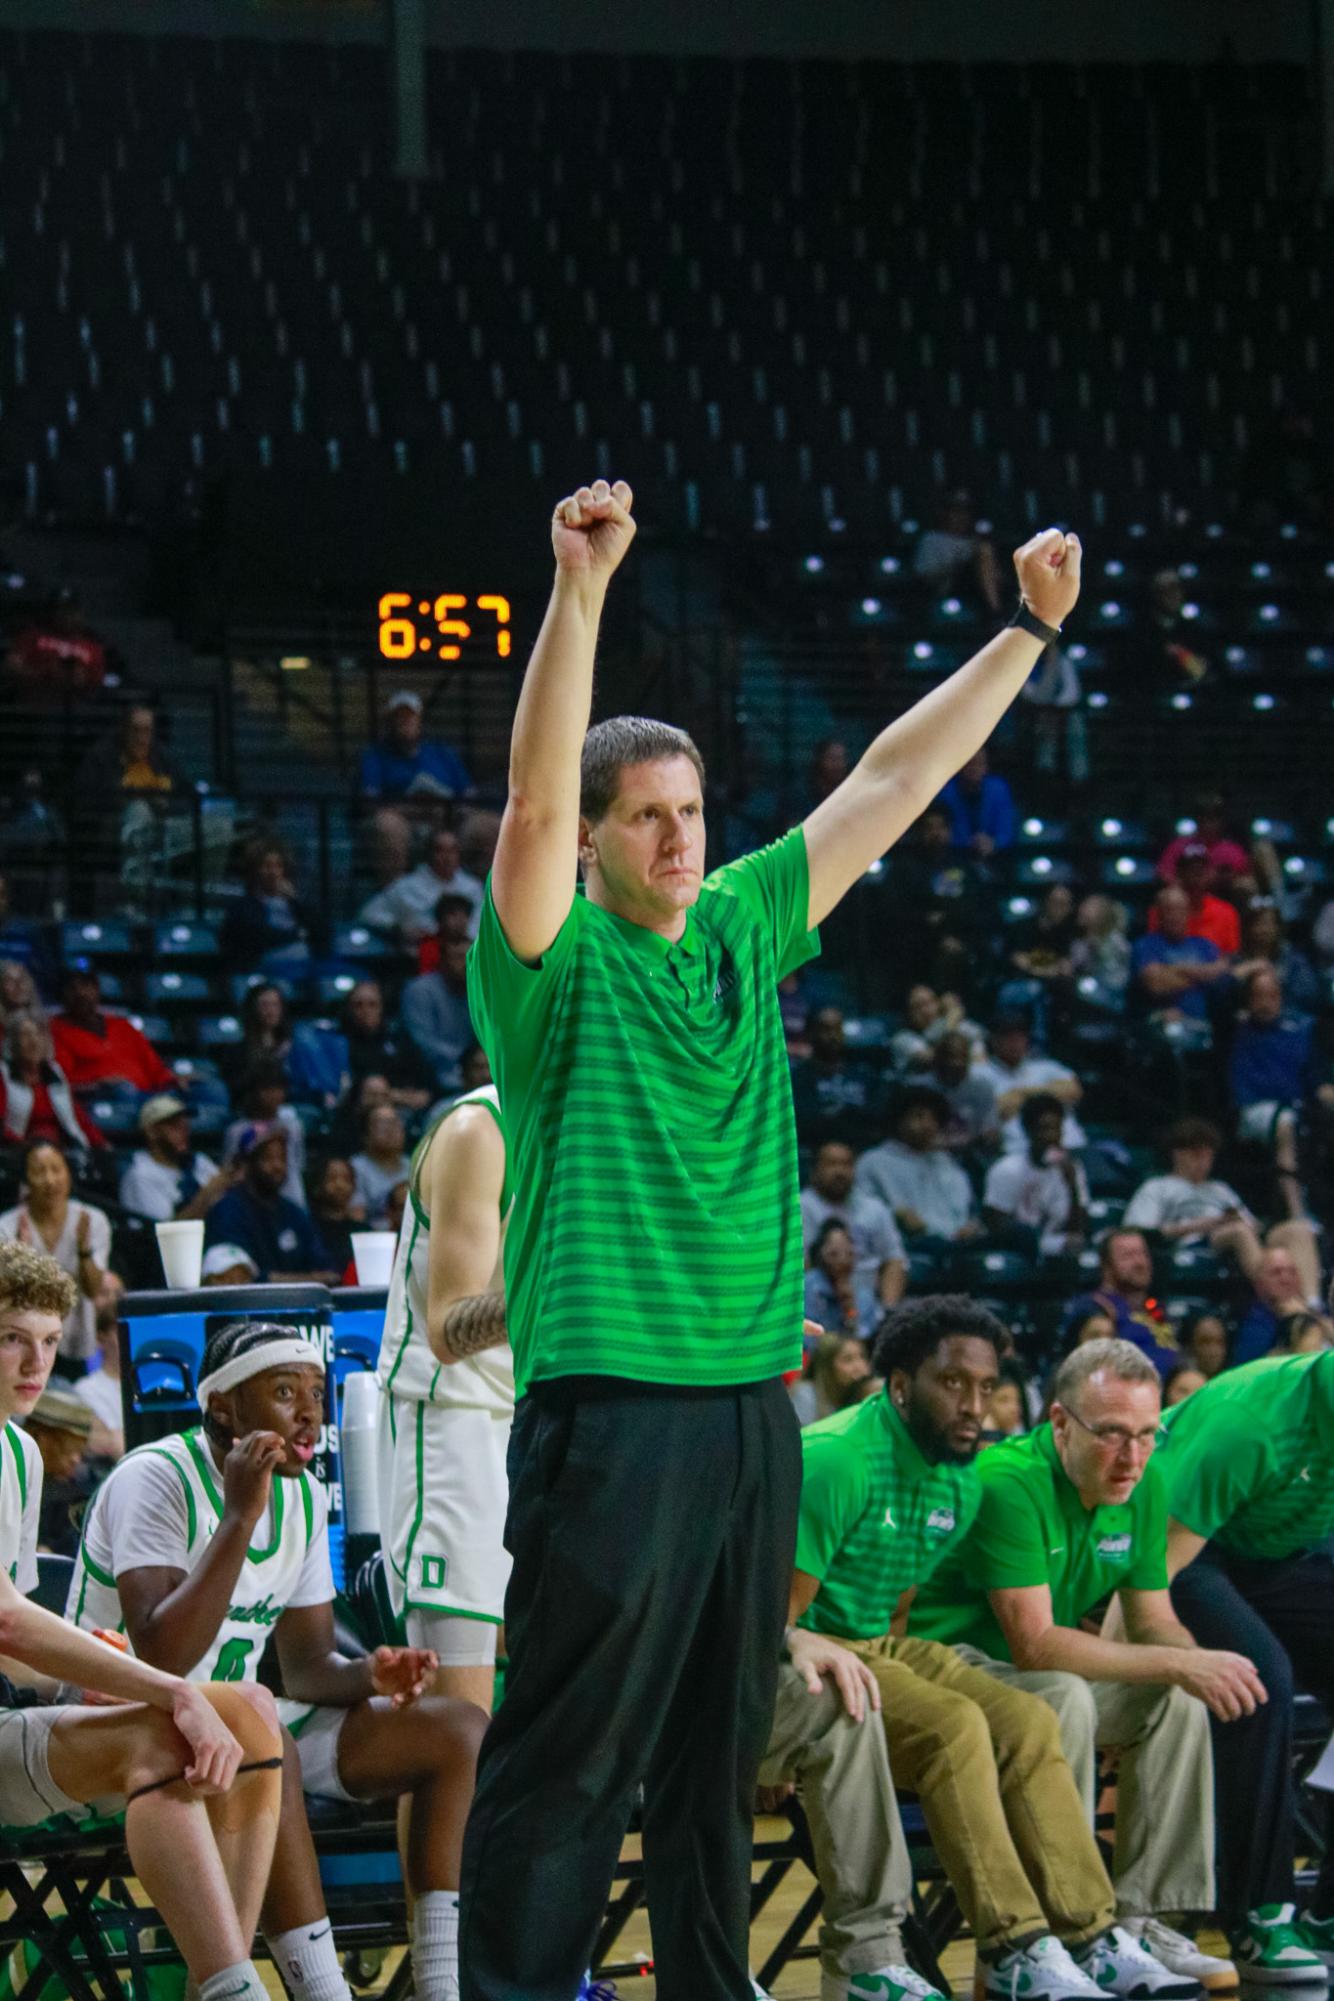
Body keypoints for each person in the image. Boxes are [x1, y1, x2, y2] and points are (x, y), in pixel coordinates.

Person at [457, 475, 1084, 2001]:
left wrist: (1022, 633)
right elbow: (534, 802)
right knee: (564, 1763)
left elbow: (889, 777)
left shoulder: (744, 918)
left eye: (689, 812)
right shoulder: (546, 964)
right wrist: (582, 590)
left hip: (751, 1415)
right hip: (608, 1412)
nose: (678, 838)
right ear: (595, 844)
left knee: (711, 1753)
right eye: (647, 819)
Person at [793, 1299, 1201, 2000]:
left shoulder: (956, 1471)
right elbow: (773, 1616)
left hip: (881, 1641)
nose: (973, 1404)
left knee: (1029, 1718)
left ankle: (1089, 1934)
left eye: (985, 1387)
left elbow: (897, 1602)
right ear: (899, 1383)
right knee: (956, 1726)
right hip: (807, 1644)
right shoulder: (838, 1460)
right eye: (953, 1383)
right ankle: (1014, 1944)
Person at [71, 1318, 489, 2001]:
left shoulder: (303, 1495)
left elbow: (304, 1668)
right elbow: (162, 1652)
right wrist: (239, 1516)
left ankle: (441, 1985)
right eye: (284, 1391)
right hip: (122, 1724)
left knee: (459, 1730)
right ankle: (323, 1990)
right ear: (224, 1408)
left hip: (234, 1728)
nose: (308, 1413)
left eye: (316, 1393)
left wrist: (369, 1674)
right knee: (265, 1737)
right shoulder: (155, 1477)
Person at [909, 1339, 1245, 1988]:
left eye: (1149, 1434)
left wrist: (1203, 1664)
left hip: (1031, 1672)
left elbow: (1152, 1619)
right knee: (1063, 1693)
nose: (1133, 1456)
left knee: (1174, 1697)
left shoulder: (1144, 1482)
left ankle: (1143, 1920)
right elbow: (1034, 1643)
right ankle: (1057, 1933)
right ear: (1060, 1421)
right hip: (944, 1667)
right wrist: (1174, 1663)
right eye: (1113, 1434)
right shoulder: (1008, 1481)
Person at [0, 1241, 285, 2001]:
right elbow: (8, 1624)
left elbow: (20, 1647)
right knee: (167, 1731)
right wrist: (167, 1688)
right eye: (12, 1337)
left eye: (52, 1342)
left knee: (256, 1712)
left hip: (8, 1727)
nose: (36, 1361)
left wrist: (83, 1663)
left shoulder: (21, 1455)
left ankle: (211, 1986)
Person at [1157, 1350, 1334, 1979]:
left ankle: (1327, 1915)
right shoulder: (1251, 1421)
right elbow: (1154, 1565)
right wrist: (1143, 1657)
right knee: (1257, 1678)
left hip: (1279, 1554)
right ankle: (1258, 1916)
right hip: (1185, 1548)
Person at [376, 1083, 515, 1715]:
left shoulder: (607, 1120)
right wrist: (579, 1287)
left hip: (542, 1418)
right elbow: (450, 1330)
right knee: (457, 1731)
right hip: (454, 1423)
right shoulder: (478, 1130)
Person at [1123, 1116, 1321, 1301]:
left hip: (1236, 1240)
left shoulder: (1220, 1189)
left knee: (1297, 1230)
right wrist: (1203, 1225)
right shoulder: (1158, 1187)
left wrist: (1240, 1221)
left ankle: (1312, 1302)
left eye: (1208, 1156)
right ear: (1178, 1154)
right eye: (1197, 1155)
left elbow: (1254, 1226)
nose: (1204, 1163)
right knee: (1239, 1232)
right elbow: (1141, 1232)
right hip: (1193, 1244)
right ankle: (1276, 1297)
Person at [0, 1141, 110, 1364]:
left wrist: (84, 1250)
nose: (50, 1180)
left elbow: (94, 1290)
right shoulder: (6, 1227)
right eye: (39, 1172)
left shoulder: (93, 1220)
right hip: (26, 1347)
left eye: (56, 1169)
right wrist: (22, 1257)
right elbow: (10, 1297)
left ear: (68, 1174)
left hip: (78, 1344)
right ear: (26, 1181)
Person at [1229, 968, 1322, 1226]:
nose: (1265, 1003)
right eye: (1258, 996)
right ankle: (1297, 1212)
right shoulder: (1238, 1030)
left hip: (1296, 1107)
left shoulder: (1300, 1030)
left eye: (1272, 996)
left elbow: (1314, 1081)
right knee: (1285, 1124)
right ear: (1248, 1000)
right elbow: (1218, 991)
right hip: (1254, 1110)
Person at [854, 1088, 981, 1260]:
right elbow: (861, 1207)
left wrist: (970, 1225)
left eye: (933, 1118)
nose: (927, 1124)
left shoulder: (945, 1161)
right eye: (919, 1116)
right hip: (908, 1241)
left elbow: (967, 1206)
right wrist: (895, 1215)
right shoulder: (873, 1161)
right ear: (899, 1120)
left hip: (956, 1240)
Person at [203, 1127, 339, 1284]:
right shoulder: (228, 1210)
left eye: (282, 1158)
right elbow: (238, 1278)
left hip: (302, 1304)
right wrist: (311, 1280)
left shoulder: (293, 1212)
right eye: (268, 1158)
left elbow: (326, 1268)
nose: (277, 1166)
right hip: (250, 1305)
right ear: (247, 1164)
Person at [799, 1140, 907, 1310]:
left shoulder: (875, 1208)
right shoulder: (799, 1208)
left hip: (871, 1302)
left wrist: (888, 1311)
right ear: (814, 1170)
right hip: (820, 1304)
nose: (840, 1172)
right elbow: (800, 1266)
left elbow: (894, 1260)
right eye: (831, 1164)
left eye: (846, 1164)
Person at [1060, 1230, 1179, 1379]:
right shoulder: (1094, 1307)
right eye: (1128, 1256)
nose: (1140, 1263)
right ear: (1106, 1266)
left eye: (1143, 1254)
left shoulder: (1154, 1306)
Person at [983, 1094, 1088, 1257]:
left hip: (1057, 1243)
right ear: (1028, 1131)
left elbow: (1077, 1229)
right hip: (1017, 1247)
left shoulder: (1073, 1168)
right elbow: (996, 1225)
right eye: (1045, 1129)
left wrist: (1072, 1185)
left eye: (1057, 1128)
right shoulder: (1007, 1169)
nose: (1052, 1136)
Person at [51, 963, 175, 1097]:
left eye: (86, 986)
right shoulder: (56, 1031)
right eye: (72, 988)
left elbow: (154, 1066)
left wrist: (174, 1080)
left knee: (196, 1090)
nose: (81, 993)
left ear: (97, 990)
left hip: (148, 1094)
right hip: (105, 1099)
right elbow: (62, 1080)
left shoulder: (122, 1025)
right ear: (62, 996)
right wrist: (97, 1083)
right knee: (124, 1090)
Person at [975, 1015, 1087, 1155]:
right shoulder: (980, 1074)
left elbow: (1073, 1091)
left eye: (1020, 1037)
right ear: (994, 1039)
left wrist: (1021, 1094)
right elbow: (992, 1109)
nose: (1015, 1043)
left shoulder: (1046, 1067)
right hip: (1018, 1153)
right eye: (1008, 1037)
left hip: (1071, 1146)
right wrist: (1049, 1094)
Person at [0, 1008, 106, 1152]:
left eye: (39, 1034)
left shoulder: (55, 1072)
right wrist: (27, 1147)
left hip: (64, 1151)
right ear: (12, 1043)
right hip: (18, 1154)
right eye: (25, 1035)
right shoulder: (3, 1074)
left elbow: (78, 1117)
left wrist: (102, 1145)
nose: (33, 1041)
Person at [120, 1092, 236, 1222]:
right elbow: (165, 1233)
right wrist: (208, 1194)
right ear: (151, 1132)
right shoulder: (141, 1175)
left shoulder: (199, 1161)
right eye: (173, 1125)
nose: (183, 1130)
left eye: (184, 1124)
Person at [359, 828, 484, 945]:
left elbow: (483, 925)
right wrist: (398, 929)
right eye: (440, 850)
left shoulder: (473, 888)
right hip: (418, 954)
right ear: (429, 854)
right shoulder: (406, 887)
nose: (447, 857)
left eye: (452, 850)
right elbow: (369, 914)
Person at [1130, 886, 1229, 1028]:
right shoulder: (1145, 945)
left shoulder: (1204, 946)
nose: (1175, 916)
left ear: (1188, 912)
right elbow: (1157, 985)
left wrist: (1173, 970)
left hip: (1202, 1028)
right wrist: (1206, 975)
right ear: (1158, 914)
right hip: (1162, 1030)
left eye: (1180, 909)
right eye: (1169, 909)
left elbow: (1223, 975)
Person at [790, 1007, 891, 1145]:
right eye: (826, 1029)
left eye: (837, 1029)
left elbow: (877, 1115)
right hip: (818, 1148)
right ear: (811, 1033)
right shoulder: (799, 1078)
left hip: (861, 1146)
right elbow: (804, 1121)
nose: (833, 1036)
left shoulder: (864, 1073)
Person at [359, 688, 472, 802]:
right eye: (399, 717)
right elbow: (371, 798)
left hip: (448, 813)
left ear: (420, 720)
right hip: (403, 814)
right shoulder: (375, 756)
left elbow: (469, 793)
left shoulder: (444, 752)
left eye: (410, 716)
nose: (406, 721)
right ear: (390, 722)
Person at [223, 1061, 308, 1209]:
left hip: (290, 1194)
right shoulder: (237, 1131)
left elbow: (297, 1164)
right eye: (267, 1089)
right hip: (251, 1199)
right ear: (254, 1092)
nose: (274, 1095)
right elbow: (230, 1170)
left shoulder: (293, 1127)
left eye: (278, 1089)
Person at [220, 840, 318, 967]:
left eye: (278, 866)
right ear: (255, 871)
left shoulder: (294, 903)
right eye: (267, 866)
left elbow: (319, 930)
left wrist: (295, 900)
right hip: (268, 966)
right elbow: (259, 936)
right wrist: (298, 934)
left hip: (305, 964)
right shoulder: (243, 906)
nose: (273, 872)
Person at [402, 933, 477, 1094]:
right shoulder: (420, 991)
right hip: (430, 1077)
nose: (465, 963)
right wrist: (467, 1060)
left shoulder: (480, 992)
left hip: (473, 1072)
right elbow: (423, 1044)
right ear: (442, 960)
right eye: (458, 957)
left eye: (471, 957)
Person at [27, 1384, 96, 1557]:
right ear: (41, 1438)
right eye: (67, 1447)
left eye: (80, 1450)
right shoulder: (14, 1483)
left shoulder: (77, 1500)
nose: (76, 1459)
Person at [913, 492, 1003, 613]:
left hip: (977, 591)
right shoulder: (931, 539)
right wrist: (958, 564)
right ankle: (995, 612)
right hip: (948, 589)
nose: (962, 517)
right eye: (957, 512)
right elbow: (925, 575)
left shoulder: (978, 541)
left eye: (965, 512)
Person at [1233, 1244, 1319, 1369]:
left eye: (1292, 1272)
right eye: (1276, 1272)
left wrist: (1306, 1316)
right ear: (1259, 1284)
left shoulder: (1315, 1312)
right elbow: (1255, 1370)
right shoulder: (1253, 1323)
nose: (1286, 1279)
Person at [1146, 844, 1241, 956]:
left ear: (1210, 873)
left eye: (1201, 868)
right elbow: (1153, 950)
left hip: (1215, 969)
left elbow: (1231, 955)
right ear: (1179, 873)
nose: (1196, 873)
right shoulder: (1162, 909)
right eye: (1190, 869)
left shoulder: (1226, 912)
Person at [1238, 901, 1320, 1018]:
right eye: (1257, 924)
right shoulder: (1239, 960)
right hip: (1246, 1023)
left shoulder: (1295, 961)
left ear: (1277, 927)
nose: (1263, 929)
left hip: (1287, 1021)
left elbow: (1307, 996)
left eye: (1267, 924)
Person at [804, 1221, 882, 1338]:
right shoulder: (807, 1287)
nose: (842, 1261)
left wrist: (850, 1310)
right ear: (820, 1254)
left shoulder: (863, 1295)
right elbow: (806, 1338)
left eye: (849, 1254)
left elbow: (865, 1340)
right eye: (834, 1254)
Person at [1158, 796, 1251, 892]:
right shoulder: (1179, 846)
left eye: (1213, 818)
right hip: (1187, 897)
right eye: (1203, 817)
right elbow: (1165, 874)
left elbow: (1244, 875)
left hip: (1222, 897)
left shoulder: (1233, 850)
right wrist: (1191, 883)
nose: (1208, 823)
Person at [938, 748, 1017, 857]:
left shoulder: (998, 788)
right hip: (956, 853)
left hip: (996, 853)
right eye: (969, 763)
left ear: (986, 766)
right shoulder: (946, 792)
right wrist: (968, 843)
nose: (974, 768)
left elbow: (1007, 827)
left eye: (979, 763)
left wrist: (994, 843)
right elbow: (944, 831)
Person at [930, 1030, 1000, 1151]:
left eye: (962, 1057)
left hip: (971, 1152)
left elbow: (991, 1131)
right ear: (937, 1058)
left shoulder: (982, 1087)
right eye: (950, 1056)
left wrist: (987, 1135)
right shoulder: (918, 1087)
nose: (956, 1063)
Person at [73, 1296, 125, 1459]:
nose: (128, 1340)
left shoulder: (148, 1385)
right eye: (120, 1333)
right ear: (101, 1338)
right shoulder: (86, 1389)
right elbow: (117, 1446)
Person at [789, 1330, 872, 1428]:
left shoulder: (866, 1391)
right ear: (827, 1367)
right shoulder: (805, 1394)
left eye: (862, 1357)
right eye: (848, 1360)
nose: (860, 1366)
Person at [351, 1104, 411, 1228]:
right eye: (383, 1124)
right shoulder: (355, 1168)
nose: (391, 1129)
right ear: (366, 1134)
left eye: (395, 1123)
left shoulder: (413, 1165)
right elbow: (356, 1219)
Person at [306, 1156, 364, 1277]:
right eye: (332, 1179)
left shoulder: (364, 1231)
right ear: (317, 1186)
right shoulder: (306, 1228)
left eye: (346, 1179)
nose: (339, 1185)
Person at [1178, 1311, 1230, 1381]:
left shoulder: (1234, 1383)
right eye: (1205, 1342)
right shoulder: (1181, 1385)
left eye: (1220, 1342)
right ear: (1191, 1346)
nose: (1213, 1351)